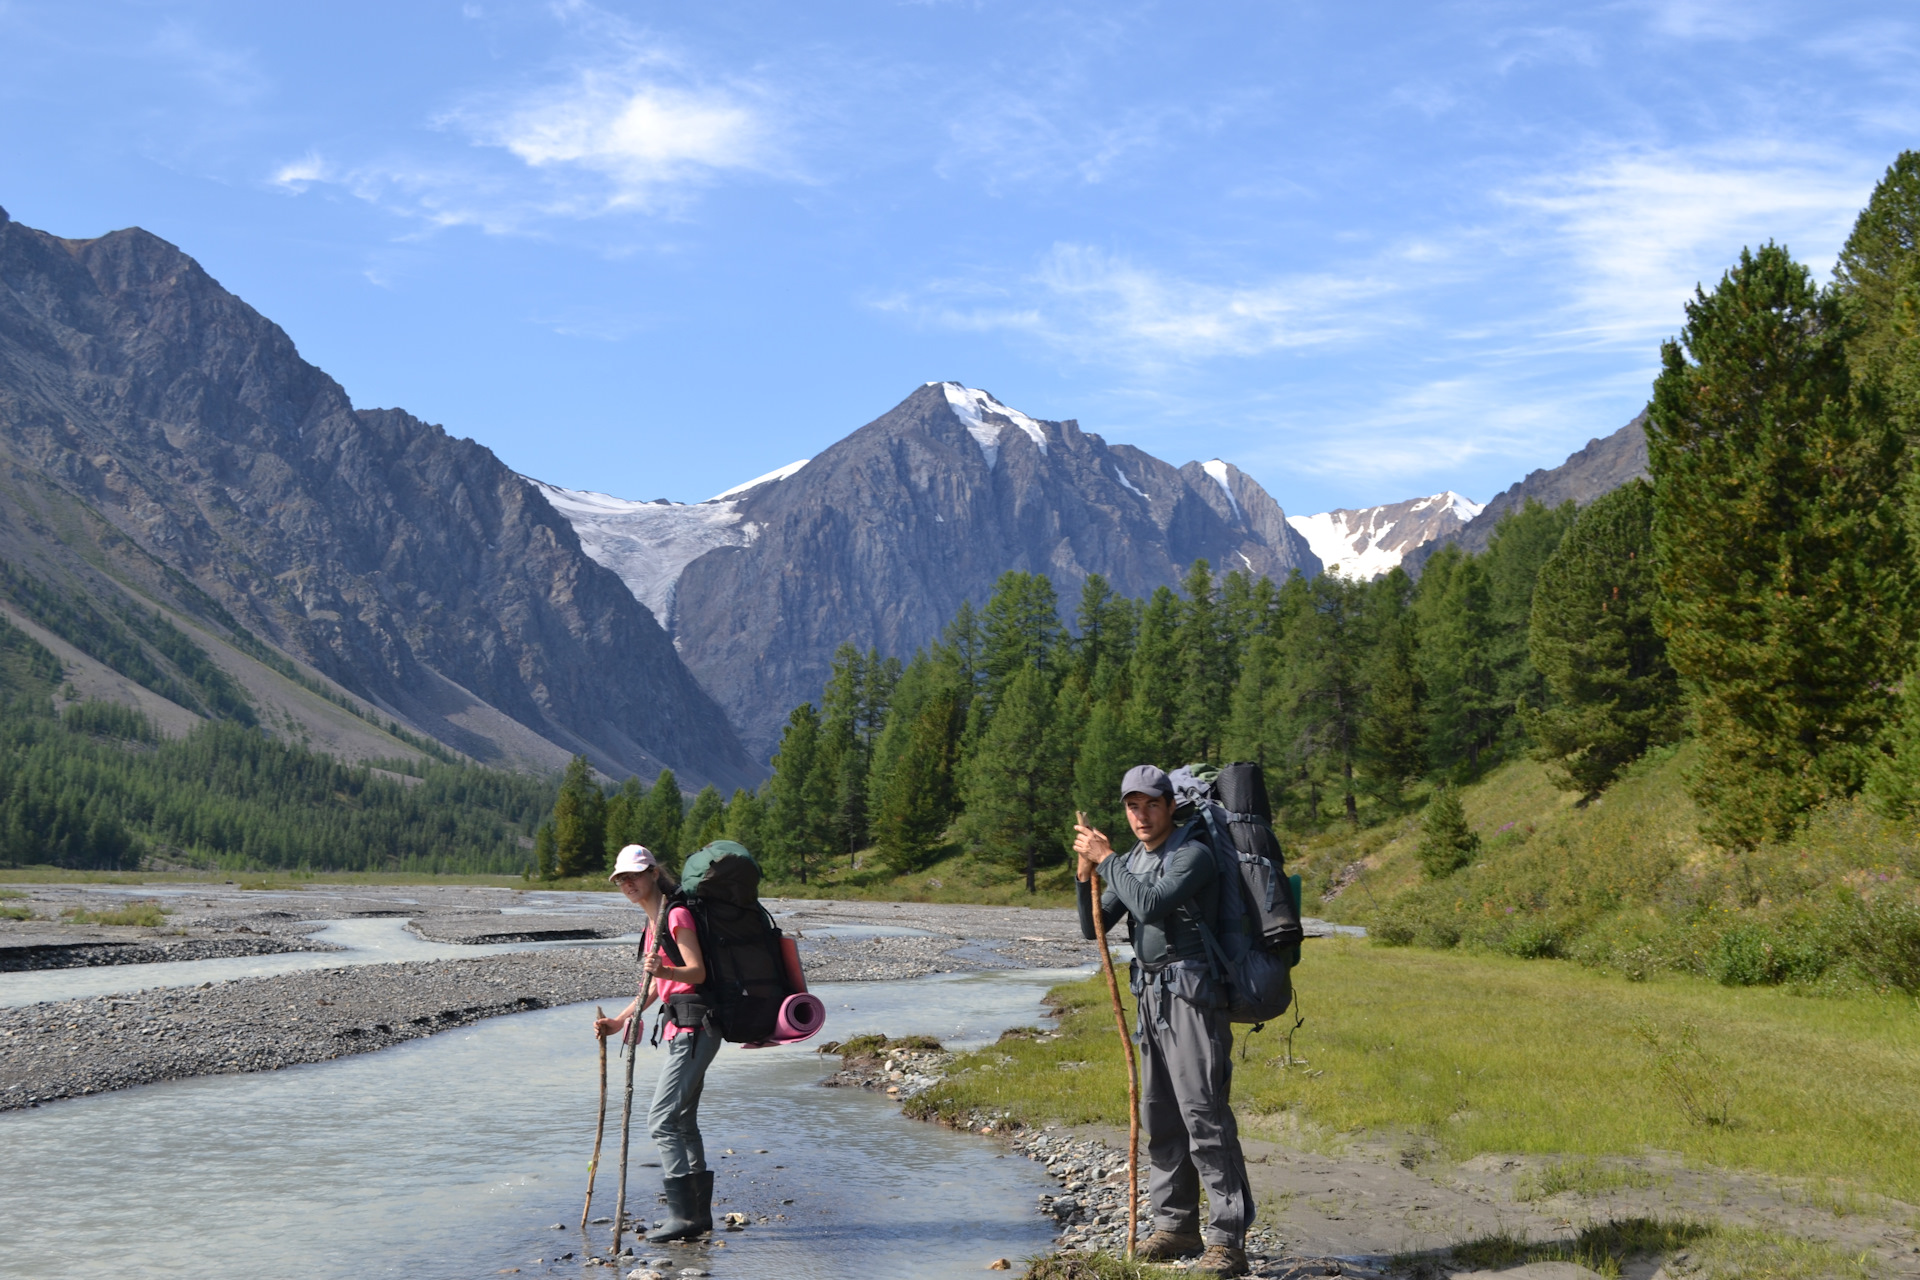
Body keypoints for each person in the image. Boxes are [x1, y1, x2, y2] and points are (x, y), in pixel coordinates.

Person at [1073, 765, 1254, 1277]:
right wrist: (1086, 875)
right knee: (1159, 1115)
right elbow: (1094, 928)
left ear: (1171, 806)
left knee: (1204, 1114)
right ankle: (1175, 1227)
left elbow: (1150, 905)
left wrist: (1106, 860)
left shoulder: (1193, 854)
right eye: (1133, 806)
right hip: (1148, 993)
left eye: (1151, 804)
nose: (1141, 815)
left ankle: (1228, 1240)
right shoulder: (1131, 860)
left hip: (1193, 994)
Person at [594, 844, 716, 1242]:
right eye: (621, 879)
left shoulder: (676, 914)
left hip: (696, 1027)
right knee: (682, 1121)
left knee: (661, 1121)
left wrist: (664, 966)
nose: (628, 883)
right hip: (684, 1028)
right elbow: (654, 987)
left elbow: (695, 972)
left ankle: (683, 1216)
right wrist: (619, 1022)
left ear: (652, 873)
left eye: (634, 875)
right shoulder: (652, 923)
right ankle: (698, 1215)